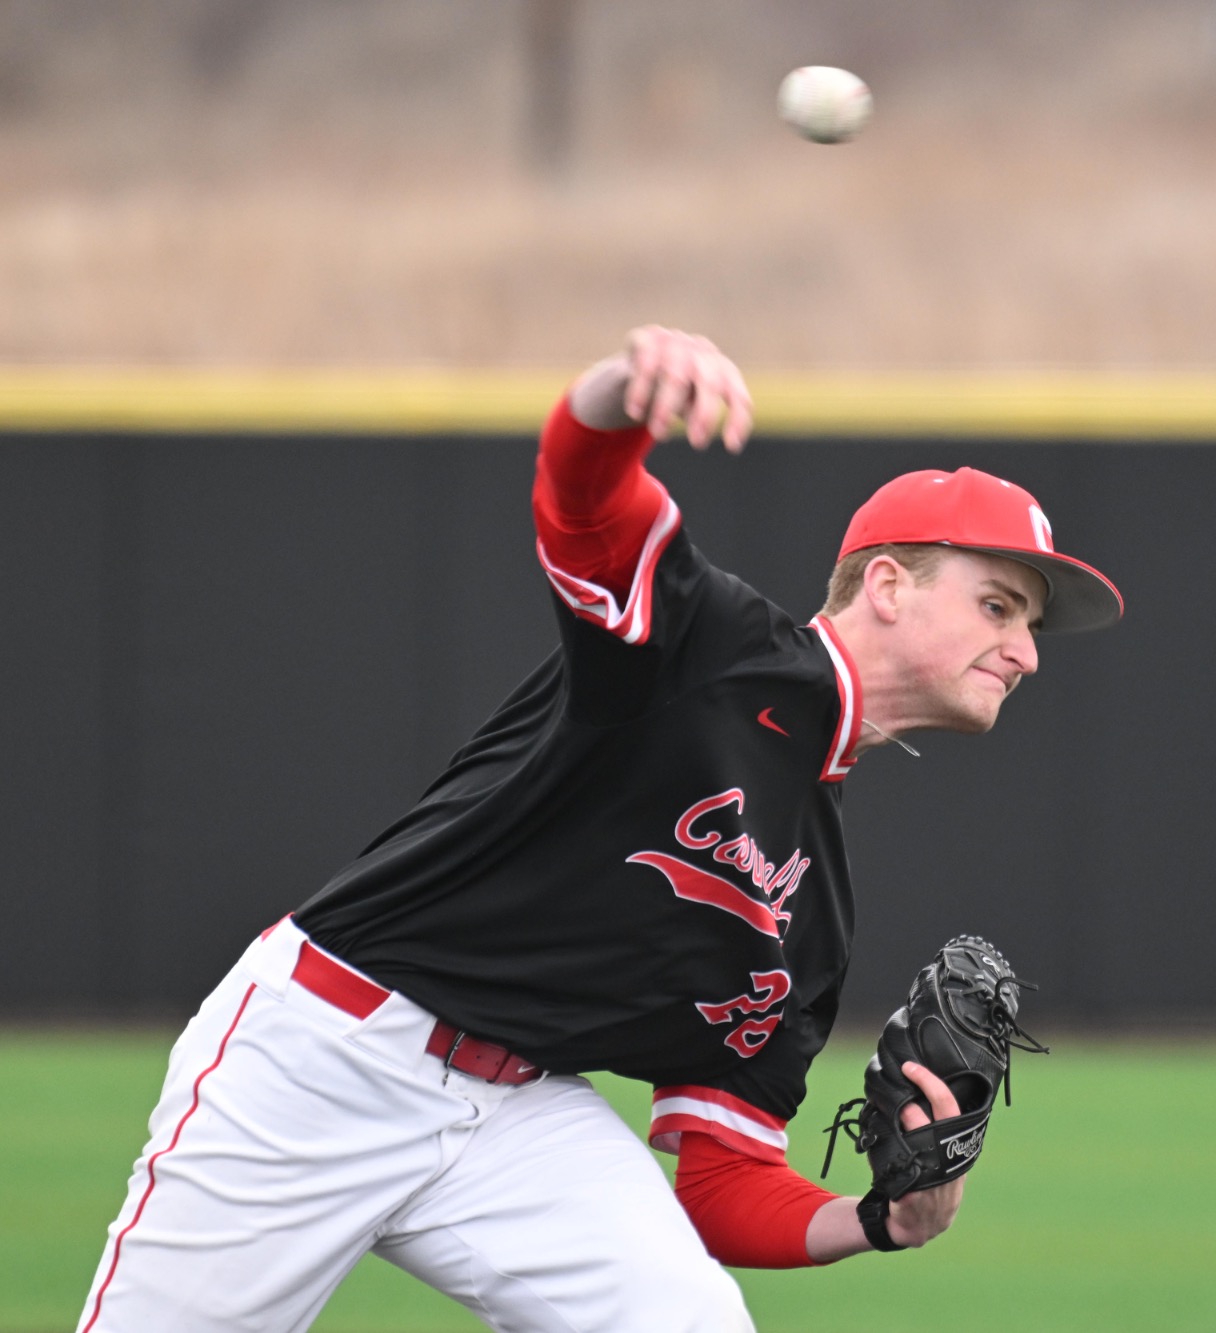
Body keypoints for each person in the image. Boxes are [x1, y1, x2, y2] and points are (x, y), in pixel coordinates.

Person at [75, 326, 1122, 1333]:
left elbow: (722, 1174)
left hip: (518, 1116)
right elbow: (581, 501)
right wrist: (622, 392)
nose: (1024, 650)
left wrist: (878, 1222)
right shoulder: (711, 646)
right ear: (888, 585)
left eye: (1027, 624)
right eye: (998, 605)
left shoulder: (816, 903)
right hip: (328, 1055)